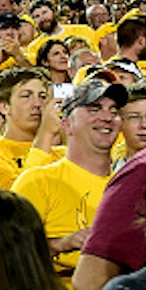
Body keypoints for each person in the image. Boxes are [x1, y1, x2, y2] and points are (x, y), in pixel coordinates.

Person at [12, 77, 125, 275]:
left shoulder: (129, 186)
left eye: (114, 111)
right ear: (67, 124)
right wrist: (62, 244)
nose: (107, 117)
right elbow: (6, 252)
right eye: (95, 109)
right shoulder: (38, 181)